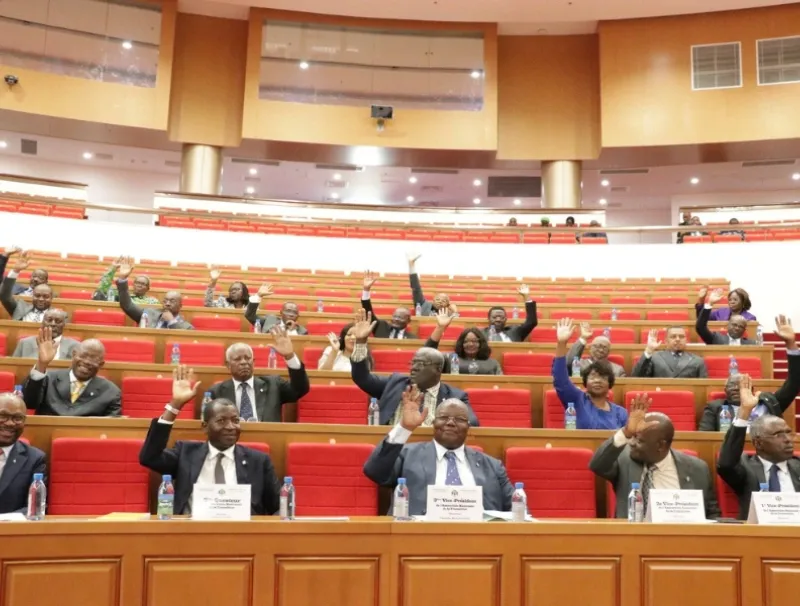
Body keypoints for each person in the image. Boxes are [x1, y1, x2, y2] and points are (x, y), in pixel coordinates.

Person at [139, 366, 281, 516]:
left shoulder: (258, 461)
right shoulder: (186, 453)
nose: (230, 427)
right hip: (191, 532)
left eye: (235, 420)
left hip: (241, 534)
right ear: (205, 427)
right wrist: (175, 405)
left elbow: (279, 507)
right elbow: (149, 457)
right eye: (221, 421)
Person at [362, 388, 513, 516]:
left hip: (480, 541)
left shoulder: (493, 466)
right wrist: (404, 427)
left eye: (459, 419)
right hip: (417, 540)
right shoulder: (407, 454)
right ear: (433, 423)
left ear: (469, 429)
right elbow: (374, 471)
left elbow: (517, 507)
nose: (450, 422)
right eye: (444, 417)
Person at [590, 394, 720, 519]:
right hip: (632, 538)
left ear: (661, 446)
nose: (632, 443)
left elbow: (711, 514)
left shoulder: (697, 468)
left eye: (639, 441)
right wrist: (626, 432)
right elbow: (597, 465)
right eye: (633, 437)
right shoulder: (624, 460)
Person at [349, 310, 478, 426]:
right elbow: (362, 378)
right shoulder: (394, 383)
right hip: (393, 446)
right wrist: (360, 342)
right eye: (413, 363)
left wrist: (445, 422)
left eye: (421, 364)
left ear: (438, 369)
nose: (413, 368)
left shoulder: (455, 396)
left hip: (429, 448)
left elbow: (472, 422)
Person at [717, 375, 800, 519]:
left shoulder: (797, 466)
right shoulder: (747, 469)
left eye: (788, 433)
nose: (787, 440)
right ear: (758, 443)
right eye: (778, 434)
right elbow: (726, 463)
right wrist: (744, 411)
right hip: (756, 538)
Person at [699, 316, 800, 431]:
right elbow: (706, 438)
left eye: (741, 384)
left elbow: (794, 382)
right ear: (725, 390)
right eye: (731, 385)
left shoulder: (767, 403)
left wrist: (791, 344)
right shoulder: (715, 407)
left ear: (752, 389)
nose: (735, 388)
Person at [207, 329, 309, 423]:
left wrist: (289, 356)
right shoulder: (216, 392)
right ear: (228, 365)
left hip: (267, 439)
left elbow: (299, 390)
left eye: (247, 358)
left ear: (253, 362)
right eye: (237, 359)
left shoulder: (273, 384)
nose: (244, 362)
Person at [22, 326, 121, 417]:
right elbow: (29, 403)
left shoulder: (111, 392)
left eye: (93, 359)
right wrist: (41, 364)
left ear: (101, 365)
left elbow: (110, 428)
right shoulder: (48, 378)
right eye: (83, 356)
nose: (86, 362)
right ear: (73, 354)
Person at [552, 318, 628, 429]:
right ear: (585, 382)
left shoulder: (621, 413)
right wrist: (561, 343)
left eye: (602, 377)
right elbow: (560, 379)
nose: (597, 380)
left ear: (610, 384)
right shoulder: (576, 399)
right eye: (592, 377)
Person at [0, 393, 47, 514]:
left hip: (10, 529)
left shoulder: (35, 459)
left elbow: (35, 508)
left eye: (17, 418)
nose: (10, 423)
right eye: (3, 416)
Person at [116, 258, 193, 329]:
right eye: (165, 300)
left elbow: (180, 340)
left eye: (172, 301)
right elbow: (127, 305)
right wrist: (123, 279)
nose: (168, 303)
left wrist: (172, 322)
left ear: (180, 306)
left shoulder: (187, 327)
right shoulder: (149, 313)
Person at [425, 312, 502, 375]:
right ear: (461, 344)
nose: (470, 344)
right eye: (466, 341)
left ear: (481, 344)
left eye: (474, 341)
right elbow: (427, 355)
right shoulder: (449, 358)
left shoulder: (493, 363)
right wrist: (440, 328)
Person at [631, 327, 708, 378]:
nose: (678, 339)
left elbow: (702, 386)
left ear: (686, 340)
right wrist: (649, 350)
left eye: (681, 337)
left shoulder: (697, 361)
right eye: (673, 336)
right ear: (666, 341)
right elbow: (636, 377)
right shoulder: (654, 357)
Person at [0, 251, 54, 322]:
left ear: (51, 298)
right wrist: (16, 270)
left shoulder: (57, 315)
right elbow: (4, 295)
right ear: (32, 296)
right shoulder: (19, 308)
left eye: (45, 296)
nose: (41, 299)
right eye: (37, 295)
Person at [360, 271, 415, 339]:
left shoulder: (412, 338)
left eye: (400, 317)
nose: (396, 319)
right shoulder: (381, 327)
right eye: (395, 316)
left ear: (408, 321)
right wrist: (366, 290)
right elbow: (368, 310)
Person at [12, 309, 79, 360]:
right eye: (49, 320)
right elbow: (14, 366)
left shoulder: (75, 345)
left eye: (58, 321)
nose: (53, 324)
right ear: (42, 323)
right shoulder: (24, 343)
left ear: (64, 325)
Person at [407, 253, 458, 317]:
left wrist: (455, 311)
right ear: (433, 300)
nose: (440, 302)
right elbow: (416, 288)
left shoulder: (449, 313)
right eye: (437, 299)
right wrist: (411, 265)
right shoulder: (423, 305)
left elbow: (456, 323)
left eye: (444, 301)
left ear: (448, 305)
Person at [92, 256, 159, 304]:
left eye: (143, 284)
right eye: (137, 282)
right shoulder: (122, 296)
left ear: (148, 288)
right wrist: (113, 269)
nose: (139, 285)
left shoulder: (152, 301)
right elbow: (102, 288)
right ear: (133, 285)